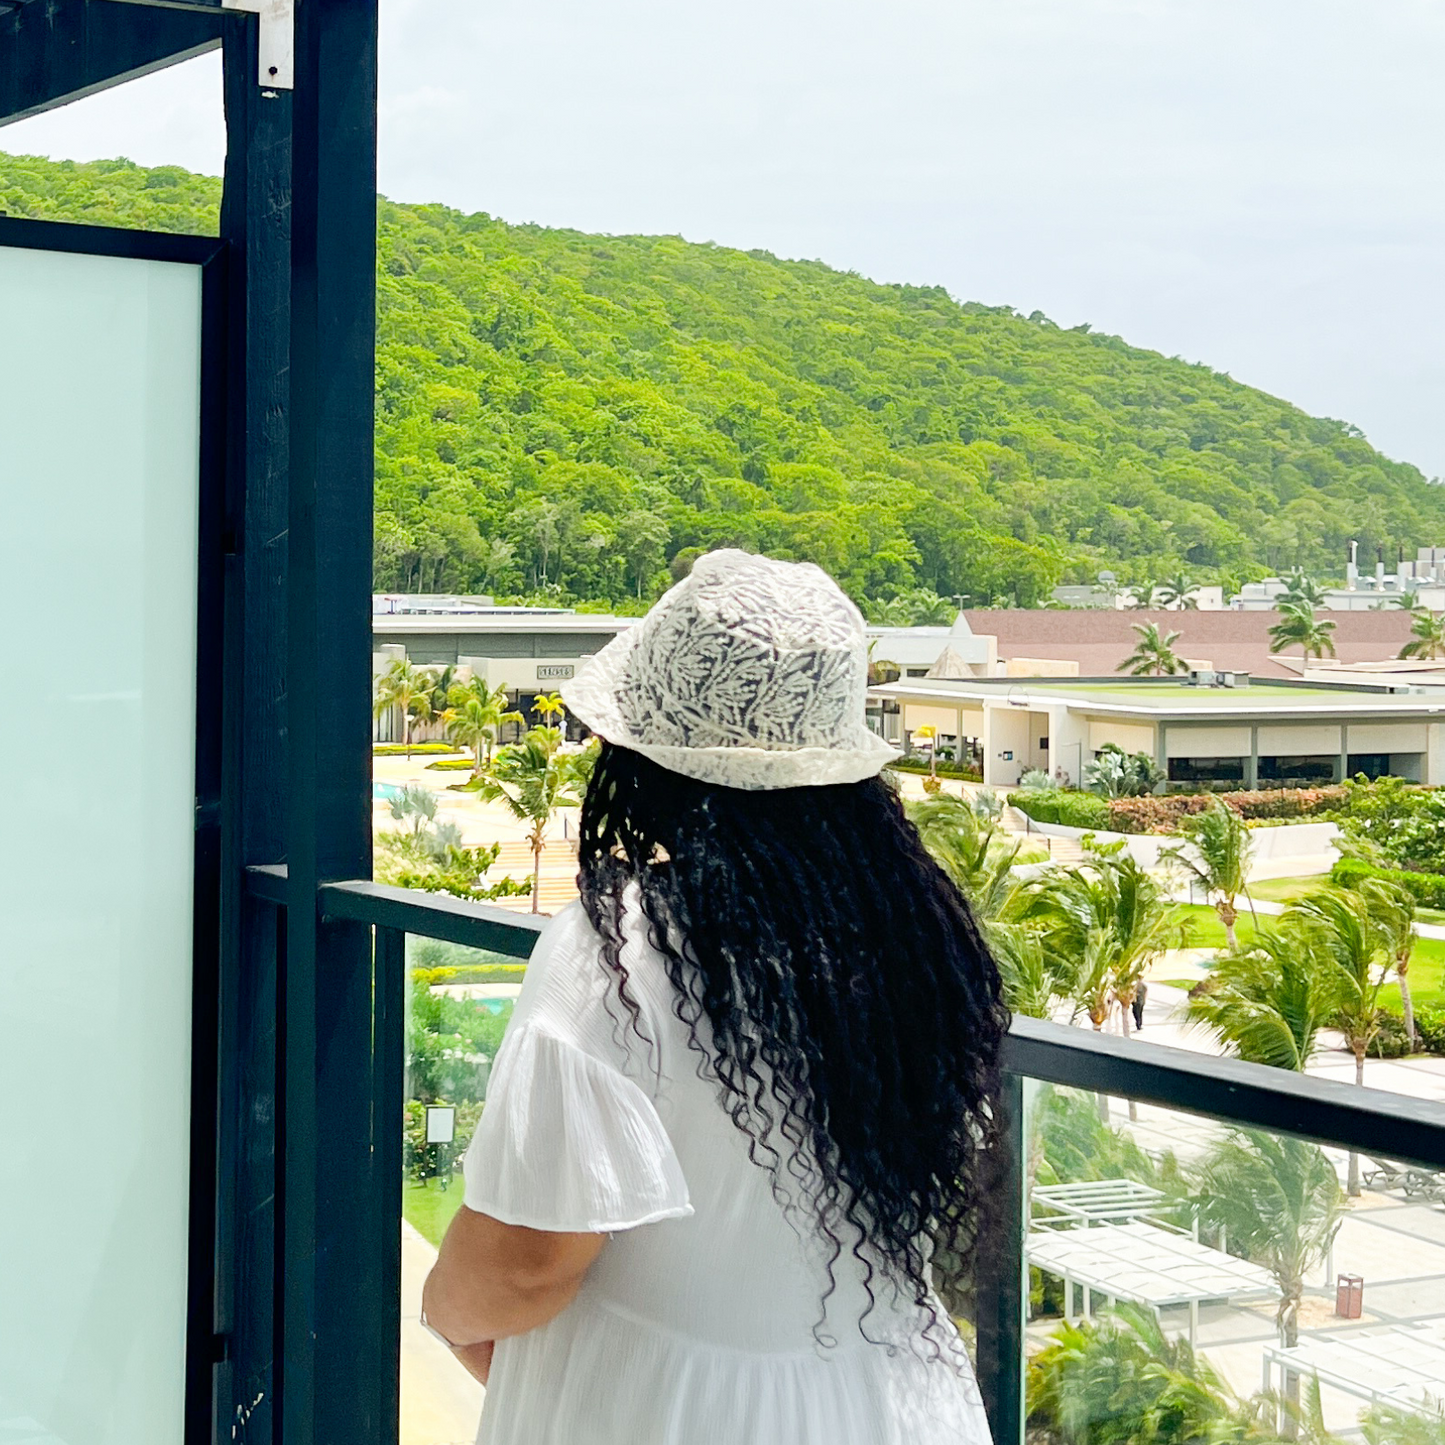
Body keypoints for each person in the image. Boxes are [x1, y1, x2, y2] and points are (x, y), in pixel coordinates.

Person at [422, 550, 1009, 1445]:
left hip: (667, 1410)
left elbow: (527, 1260)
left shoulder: (617, 949)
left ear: (646, 755)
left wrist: (445, 1310)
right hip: (890, 1395)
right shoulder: (908, 937)